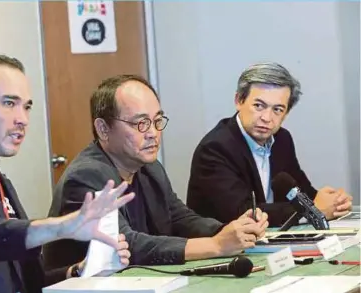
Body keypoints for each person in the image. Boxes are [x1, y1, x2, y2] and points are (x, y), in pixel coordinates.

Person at [0, 52, 134, 293]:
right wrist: (58, 227)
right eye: (9, 103)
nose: (23, 119)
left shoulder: (1, 183)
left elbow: (24, 281)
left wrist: (77, 271)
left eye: (27, 107)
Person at [43, 74, 268, 270]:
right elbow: (126, 244)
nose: (153, 133)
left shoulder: (149, 167)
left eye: (157, 121)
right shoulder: (86, 176)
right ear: (103, 129)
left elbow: (180, 218)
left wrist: (232, 230)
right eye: (141, 123)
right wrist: (216, 245)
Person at [186, 62, 353, 227]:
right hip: (224, 249)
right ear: (239, 100)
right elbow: (241, 213)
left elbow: (301, 193)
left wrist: (334, 203)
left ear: (286, 112)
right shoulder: (216, 148)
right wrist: (312, 210)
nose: (266, 117)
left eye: (277, 109)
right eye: (259, 106)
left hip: (272, 244)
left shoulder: (282, 139)